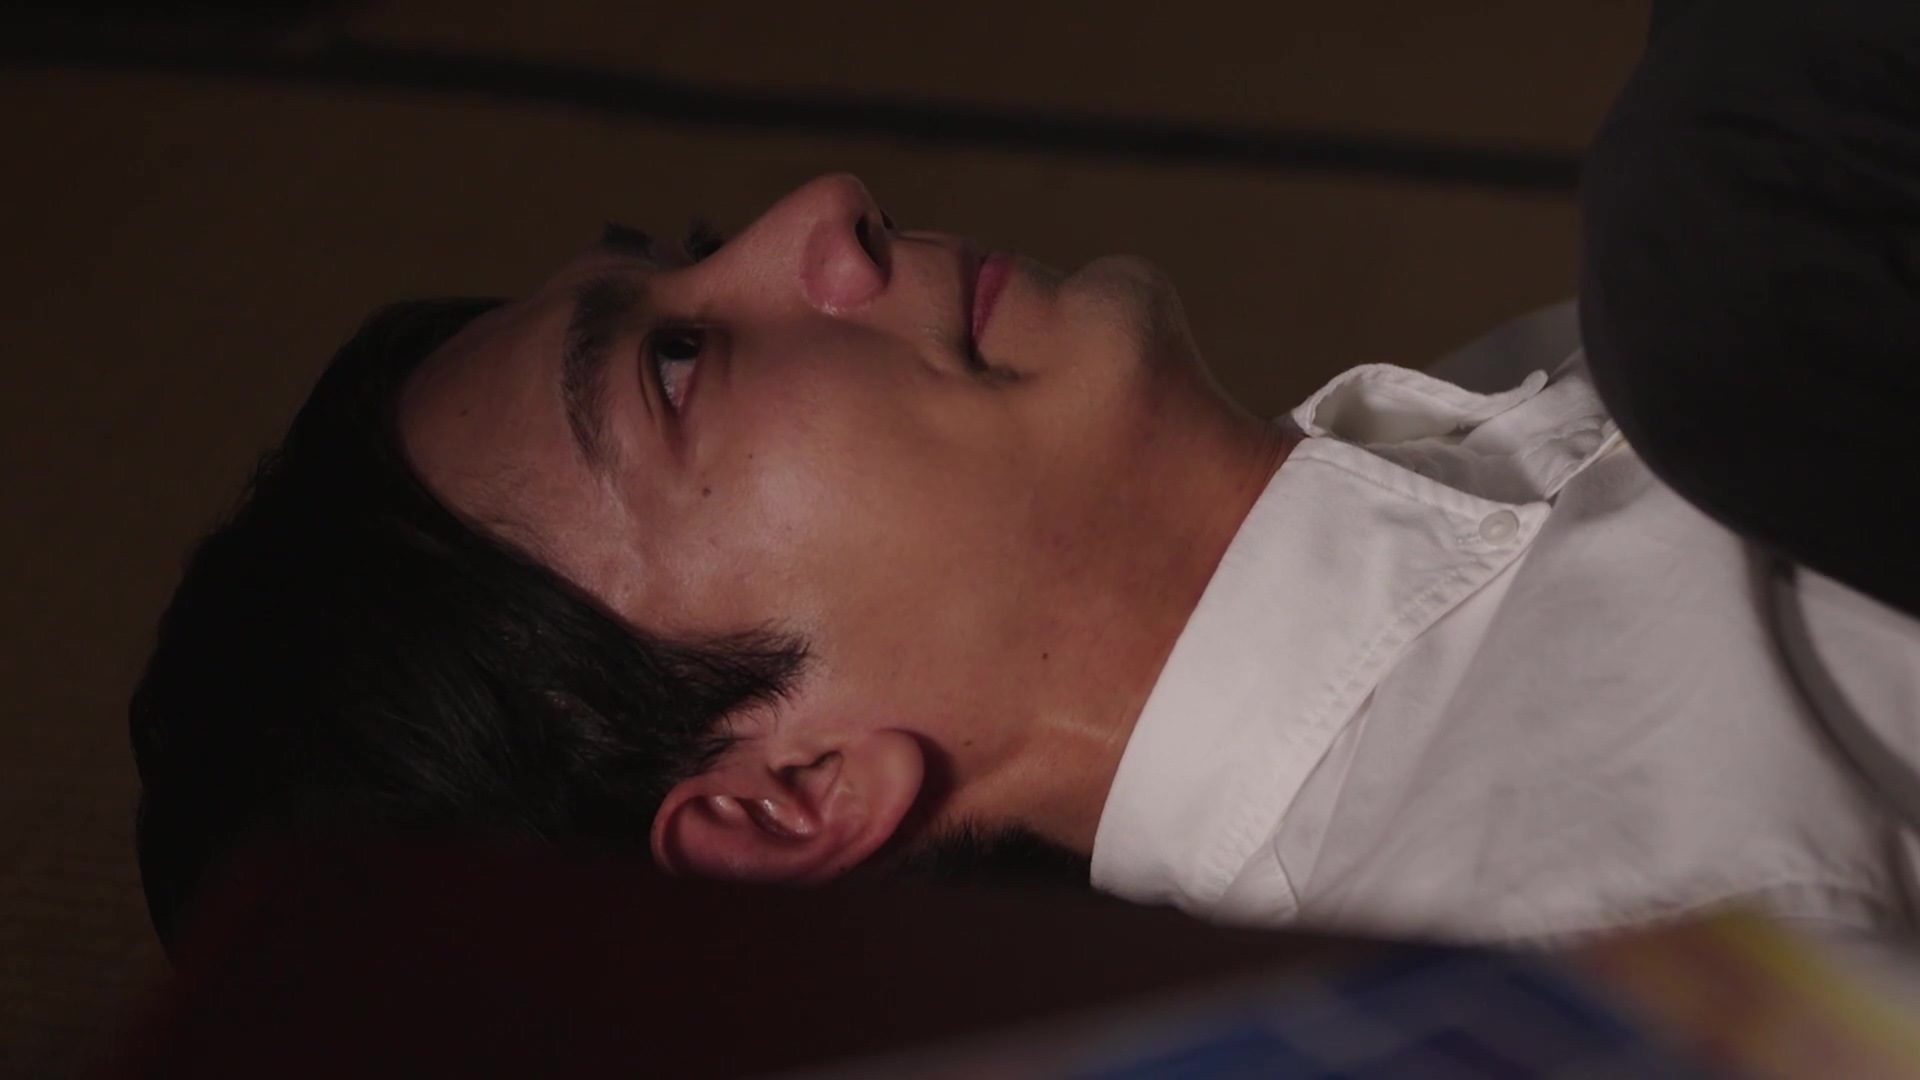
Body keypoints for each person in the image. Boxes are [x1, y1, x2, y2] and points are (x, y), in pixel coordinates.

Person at [131, 1, 1920, 950]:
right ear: (787, 798)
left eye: (686, 253)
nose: (823, 211)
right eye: (678, 367)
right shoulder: (1600, 935)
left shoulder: (1503, 401)